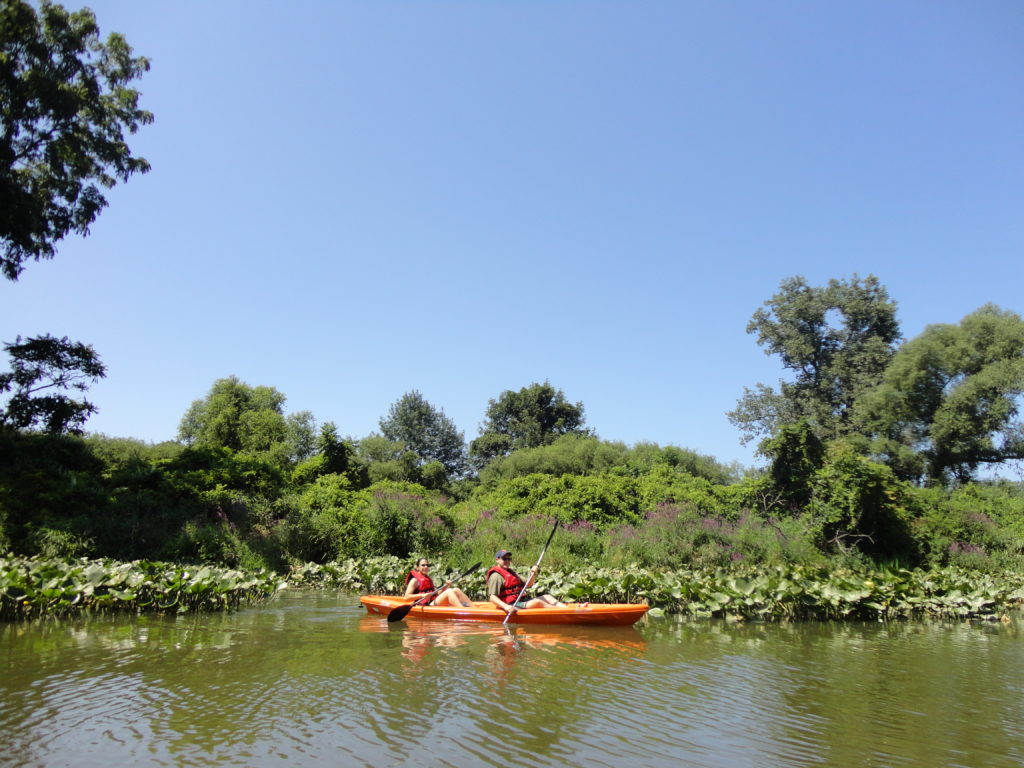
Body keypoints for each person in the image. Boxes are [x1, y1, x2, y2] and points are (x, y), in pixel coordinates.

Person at [486, 550, 566, 616]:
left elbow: (529, 584)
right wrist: (506, 606)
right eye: (504, 559)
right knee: (537, 602)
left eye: (509, 559)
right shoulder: (495, 576)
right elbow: (492, 598)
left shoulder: (511, 573)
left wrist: (533, 573)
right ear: (497, 559)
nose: (507, 561)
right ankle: (564, 613)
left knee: (548, 597)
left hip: (521, 600)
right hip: (511, 604)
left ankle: (567, 609)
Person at [404, 558, 473, 607]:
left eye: (427, 565)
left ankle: (474, 608)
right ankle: (462, 610)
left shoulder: (428, 578)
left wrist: (445, 586)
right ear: (417, 567)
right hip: (425, 605)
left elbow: (437, 593)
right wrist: (422, 595)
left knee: (456, 590)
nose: (426, 567)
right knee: (449, 591)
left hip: (433, 601)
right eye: (423, 565)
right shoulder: (414, 581)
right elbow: (406, 597)